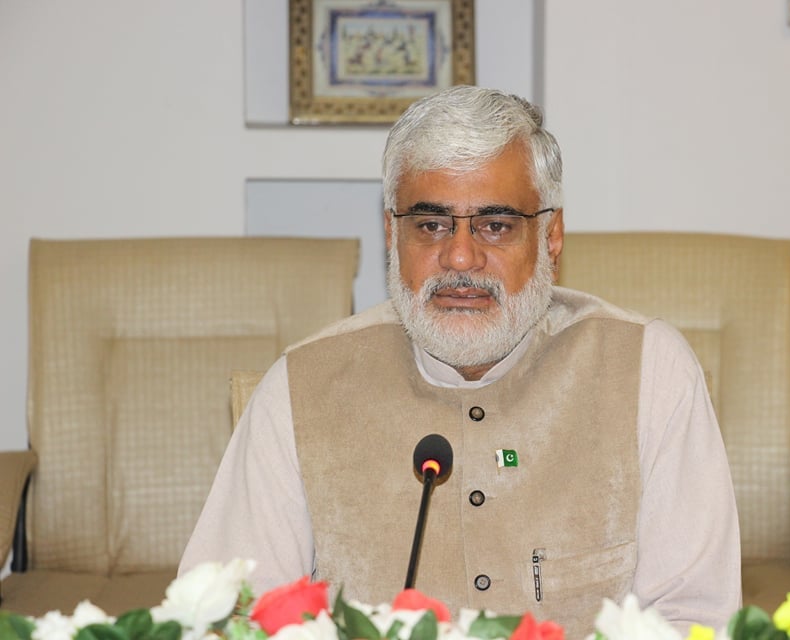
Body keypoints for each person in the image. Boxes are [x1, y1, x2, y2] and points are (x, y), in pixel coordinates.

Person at [180, 85, 741, 636]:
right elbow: (226, 620)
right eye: (431, 225)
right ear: (391, 234)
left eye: (495, 225)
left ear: (550, 237)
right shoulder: (300, 390)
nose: (460, 256)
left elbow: (696, 618)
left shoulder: (648, 373)